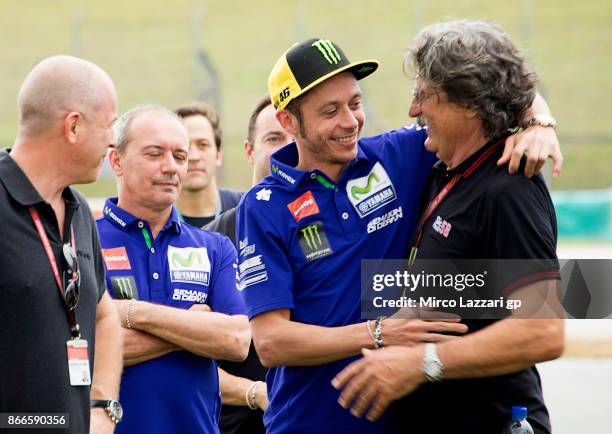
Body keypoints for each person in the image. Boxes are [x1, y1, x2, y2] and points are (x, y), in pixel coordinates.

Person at [236, 38, 562, 434]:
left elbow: (484, 90)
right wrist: (380, 333)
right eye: (330, 111)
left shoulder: (398, 154)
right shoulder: (263, 205)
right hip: (307, 422)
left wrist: (540, 122)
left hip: (403, 419)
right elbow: (272, 343)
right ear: (289, 122)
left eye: (354, 104)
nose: (350, 121)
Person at [333, 20, 564, 434]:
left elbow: (542, 332)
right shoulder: (442, 169)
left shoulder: (509, 188)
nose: (413, 110)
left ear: (466, 103)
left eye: (424, 96)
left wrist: (424, 363)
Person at [97, 106, 250, 434]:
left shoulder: (214, 247)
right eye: (154, 154)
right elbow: (87, 353)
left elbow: (236, 340)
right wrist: (195, 328)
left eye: (179, 156)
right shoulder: (85, 239)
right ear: (116, 160)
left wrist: (133, 314)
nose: (170, 167)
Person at [0, 55, 122, 434]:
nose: (113, 140)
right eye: (109, 125)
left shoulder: (78, 210)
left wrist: (101, 409)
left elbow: (105, 314)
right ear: (73, 127)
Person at [204, 95, 292, 434]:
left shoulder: (335, 228)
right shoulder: (213, 241)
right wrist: (255, 393)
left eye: (294, 138)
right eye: (273, 139)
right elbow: (187, 361)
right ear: (249, 150)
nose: (286, 149)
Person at [175, 102, 242, 227]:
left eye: (203, 145)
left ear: (218, 154)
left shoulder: (245, 209)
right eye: (184, 146)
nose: (194, 157)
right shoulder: (153, 218)